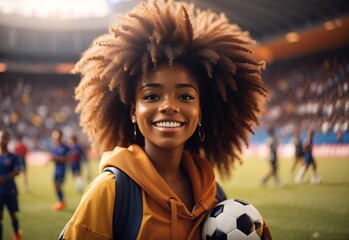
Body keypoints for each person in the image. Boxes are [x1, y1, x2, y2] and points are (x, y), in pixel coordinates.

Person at [60, 1, 271, 239]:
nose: (169, 106)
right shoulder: (110, 192)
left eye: (185, 96)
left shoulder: (213, 195)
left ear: (200, 112)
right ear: (133, 111)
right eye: (151, 96)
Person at [0, 130, 22, 240]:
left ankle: (16, 233)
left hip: (10, 190)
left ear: (8, 140)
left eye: (4, 138)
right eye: (0, 137)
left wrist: (4, 178)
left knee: (12, 214)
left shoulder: (13, 157)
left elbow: (17, 171)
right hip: (0, 192)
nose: (2, 140)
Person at [49, 129, 70, 211]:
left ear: (61, 136)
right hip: (56, 169)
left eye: (56, 135)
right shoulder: (55, 147)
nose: (55, 137)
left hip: (62, 169)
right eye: (54, 136)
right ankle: (60, 202)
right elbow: (54, 157)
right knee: (55, 186)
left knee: (58, 185)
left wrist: (55, 158)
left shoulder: (65, 147)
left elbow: (68, 159)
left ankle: (61, 202)